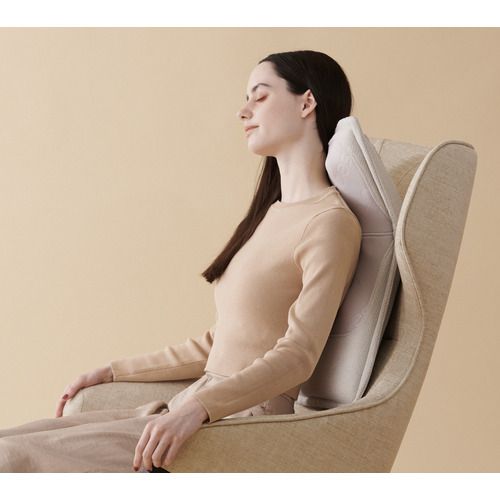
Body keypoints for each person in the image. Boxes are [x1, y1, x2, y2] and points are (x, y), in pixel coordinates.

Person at [0, 50, 361, 473]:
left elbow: (300, 354)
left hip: (242, 425)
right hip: (196, 407)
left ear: (307, 102)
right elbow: (219, 343)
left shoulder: (329, 223)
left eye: (260, 96)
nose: (243, 111)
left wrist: (198, 409)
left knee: (11, 460)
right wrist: (113, 371)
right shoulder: (271, 214)